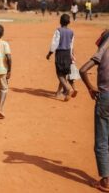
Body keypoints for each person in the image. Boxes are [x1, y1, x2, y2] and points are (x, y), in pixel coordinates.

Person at [79, 32, 109, 192]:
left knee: (102, 141)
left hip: (105, 98)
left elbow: (83, 70)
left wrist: (91, 88)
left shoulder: (103, 51)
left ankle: (105, 181)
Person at [46, 14, 75, 101]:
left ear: (60, 21)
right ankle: (58, 92)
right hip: (67, 54)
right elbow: (71, 45)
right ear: (69, 22)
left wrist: (49, 54)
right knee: (64, 74)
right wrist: (71, 55)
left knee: (59, 74)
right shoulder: (71, 32)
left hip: (60, 54)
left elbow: (54, 43)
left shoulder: (58, 31)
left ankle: (67, 89)